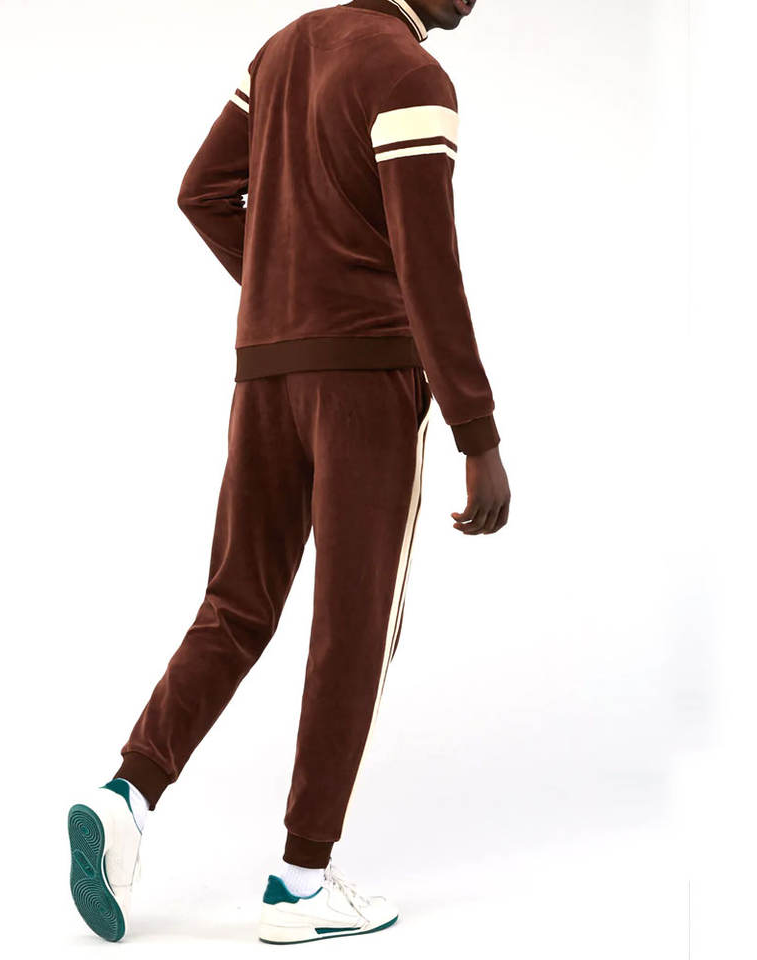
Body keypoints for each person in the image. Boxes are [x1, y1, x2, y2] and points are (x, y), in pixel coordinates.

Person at [67, 0, 509, 944]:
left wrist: (290, 292)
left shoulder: (280, 51)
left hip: (265, 376)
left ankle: (125, 795)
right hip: (367, 387)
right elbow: (430, 269)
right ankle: (300, 883)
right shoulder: (413, 77)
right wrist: (477, 432)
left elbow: (202, 191)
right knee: (353, 628)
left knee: (236, 604)